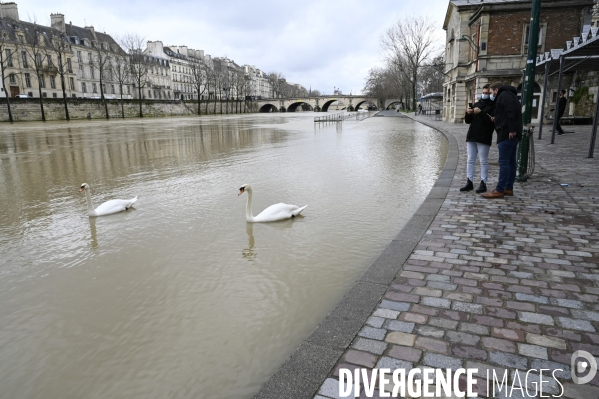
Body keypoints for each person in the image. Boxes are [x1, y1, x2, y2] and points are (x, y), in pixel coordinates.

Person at [482, 82, 522, 199]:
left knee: (504, 162)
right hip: (510, 132)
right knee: (511, 162)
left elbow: (511, 112)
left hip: (507, 133)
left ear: (496, 90)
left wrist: (512, 129)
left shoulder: (504, 95)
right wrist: (497, 119)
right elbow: (507, 113)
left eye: (491, 92)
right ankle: (508, 188)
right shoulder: (510, 95)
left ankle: (499, 189)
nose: (491, 95)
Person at [460, 84, 495, 193]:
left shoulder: (494, 106)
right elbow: (468, 121)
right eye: (484, 93)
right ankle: (469, 181)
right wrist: (468, 113)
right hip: (472, 135)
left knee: (483, 161)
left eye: (488, 93)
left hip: (484, 136)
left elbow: (491, 122)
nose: (485, 95)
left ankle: (483, 182)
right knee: (470, 160)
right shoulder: (477, 104)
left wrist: (481, 113)